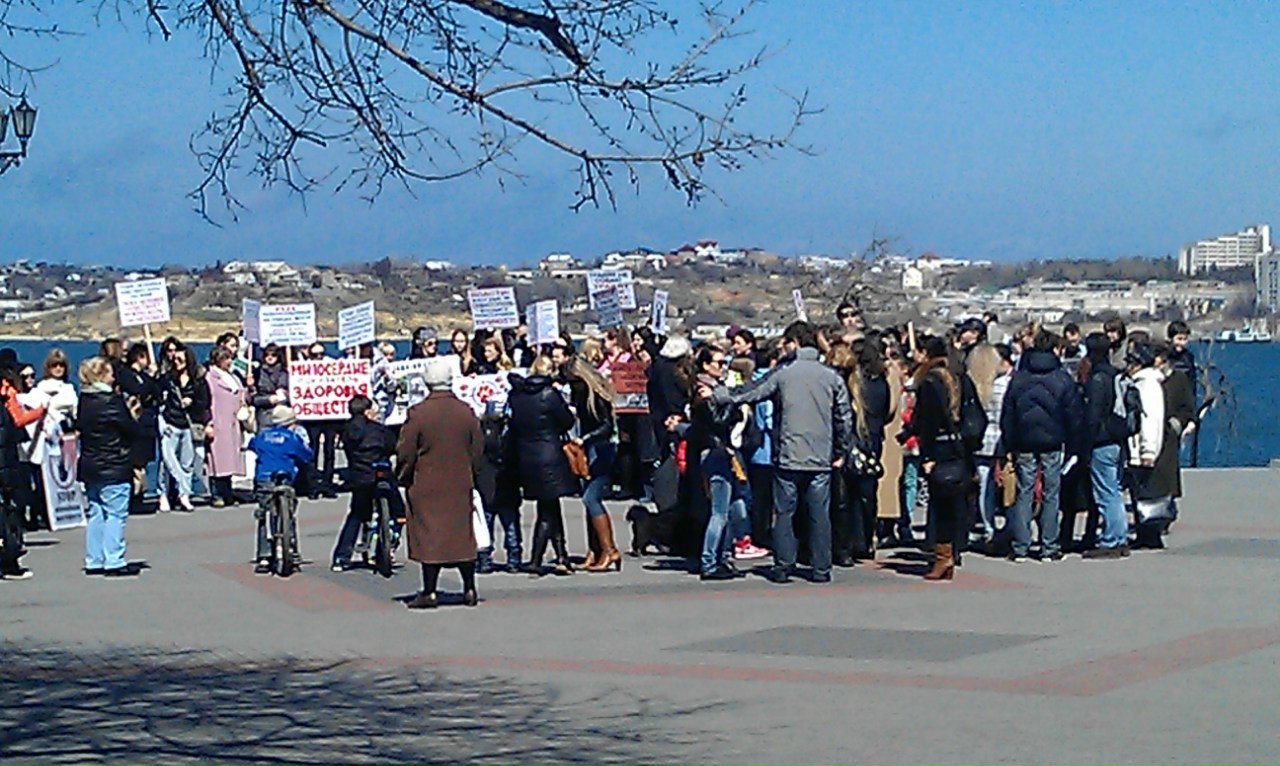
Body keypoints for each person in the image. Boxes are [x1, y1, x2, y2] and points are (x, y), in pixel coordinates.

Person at [707, 321, 853, 584]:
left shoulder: (784, 373)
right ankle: (821, 567)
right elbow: (844, 417)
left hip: (788, 453)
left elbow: (753, 392)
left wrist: (723, 395)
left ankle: (784, 564)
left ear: (794, 343)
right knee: (819, 514)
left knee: (784, 512)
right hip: (820, 455)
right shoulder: (831, 376)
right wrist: (841, 448)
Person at [397, 358, 485, 609]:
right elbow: (478, 447)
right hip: (459, 481)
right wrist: (471, 472)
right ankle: (469, 588)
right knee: (462, 535)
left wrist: (403, 475)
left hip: (427, 482)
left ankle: (430, 591)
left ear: (427, 382)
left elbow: (406, 450)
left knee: (430, 536)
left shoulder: (418, 413)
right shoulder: (465, 411)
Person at [1000, 329, 1083, 562]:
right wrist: (1073, 443)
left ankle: (1020, 546)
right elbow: (1073, 414)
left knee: (1024, 491)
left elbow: (1009, 412)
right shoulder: (1062, 378)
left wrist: (1009, 441)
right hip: (1053, 440)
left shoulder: (1019, 378)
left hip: (1023, 440)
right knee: (1051, 493)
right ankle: (1049, 545)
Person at [673, 346, 752, 581]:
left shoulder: (717, 390)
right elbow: (715, 423)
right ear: (706, 366)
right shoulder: (703, 393)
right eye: (718, 362)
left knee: (735, 508)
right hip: (714, 453)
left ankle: (724, 556)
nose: (723, 366)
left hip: (723, 452)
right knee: (719, 512)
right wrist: (734, 409)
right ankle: (709, 561)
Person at [907, 336, 980, 580]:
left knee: (940, 505)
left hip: (940, 449)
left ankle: (942, 555)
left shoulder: (930, 381)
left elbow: (927, 422)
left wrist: (926, 454)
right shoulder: (960, 378)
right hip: (961, 447)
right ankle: (953, 551)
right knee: (957, 501)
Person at [508, 356, 579, 576]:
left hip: (526, 455)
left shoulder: (517, 395)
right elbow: (567, 420)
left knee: (550, 505)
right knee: (547, 510)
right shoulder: (550, 394)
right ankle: (536, 558)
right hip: (549, 454)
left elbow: (514, 423)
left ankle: (562, 556)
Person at [76, 357, 144, 578]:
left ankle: (94, 558)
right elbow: (129, 430)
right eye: (110, 373)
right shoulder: (110, 401)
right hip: (113, 463)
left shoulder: (84, 400)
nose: (114, 377)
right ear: (102, 375)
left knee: (96, 512)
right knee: (115, 513)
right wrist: (134, 415)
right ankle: (114, 559)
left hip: (90, 464)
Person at [564, 355, 623, 573]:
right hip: (591, 448)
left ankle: (609, 549)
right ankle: (594, 550)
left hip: (603, 448)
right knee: (587, 499)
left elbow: (607, 426)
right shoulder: (580, 394)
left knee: (592, 498)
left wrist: (585, 439)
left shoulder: (595, 395)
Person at [330, 395, 397, 570]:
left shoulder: (347, 430)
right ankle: (390, 544)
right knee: (398, 510)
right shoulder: (378, 429)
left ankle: (341, 557)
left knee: (356, 515)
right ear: (367, 411)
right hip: (382, 473)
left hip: (359, 477)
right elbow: (392, 446)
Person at [1081, 332, 1131, 559]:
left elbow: (1092, 416)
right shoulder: (1116, 375)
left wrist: (1086, 444)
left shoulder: (1098, 379)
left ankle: (1111, 538)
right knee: (1114, 491)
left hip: (1102, 441)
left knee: (1105, 492)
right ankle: (1120, 536)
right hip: (1117, 438)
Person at [247, 404, 314, 573]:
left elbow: (252, 446)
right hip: (285, 476)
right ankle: (293, 551)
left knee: (263, 513)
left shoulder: (262, 436)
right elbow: (307, 456)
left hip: (264, 477)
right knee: (290, 514)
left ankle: (263, 556)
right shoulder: (292, 437)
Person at [0, 356, 44, 580]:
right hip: (7, 458)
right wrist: (40, 412)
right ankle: (9, 555)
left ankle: (9, 553)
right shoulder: (7, 392)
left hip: (9, 455)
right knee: (10, 510)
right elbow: (16, 420)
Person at [966, 343, 1012, 545]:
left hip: (981, 439)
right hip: (1000, 438)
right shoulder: (1003, 385)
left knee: (985, 485)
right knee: (1007, 484)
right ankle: (1007, 525)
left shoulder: (972, 384)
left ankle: (988, 526)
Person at [1124, 343, 1167, 548]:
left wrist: (1148, 450)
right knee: (1139, 493)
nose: (1128, 367)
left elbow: (1150, 419)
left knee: (1145, 495)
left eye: (1131, 362)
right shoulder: (1144, 383)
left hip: (1142, 449)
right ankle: (1145, 533)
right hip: (1138, 448)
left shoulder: (1147, 385)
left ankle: (1149, 535)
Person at [157, 345, 208, 512]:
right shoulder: (168, 379)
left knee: (187, 462)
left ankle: (184, 494)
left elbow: (205, 401)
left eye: (180, 359)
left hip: (188, 424)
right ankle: (163, 493)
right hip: (171, 422)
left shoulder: (197, 380)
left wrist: (192, 402)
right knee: (168, 461)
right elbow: (156, 394)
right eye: (174, 359)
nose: (176, 362)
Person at [117, 344, 160, 510]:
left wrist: (152, 377)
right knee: (133, 463)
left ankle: (140, 495)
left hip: (147, 424)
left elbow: (155, 392)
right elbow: (138, 391)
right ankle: (133, 497)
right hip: (134, 424)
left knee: (142, 462)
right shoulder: (127, 375)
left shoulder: (144, 376)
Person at [205, 347, 246, 507]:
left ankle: (228, 493)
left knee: (229, 460)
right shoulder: (210, 377)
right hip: (218, 421)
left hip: (232, 423)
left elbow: (242, 394)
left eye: (230, 358)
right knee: (216, 460)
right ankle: (216, 494)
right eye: (225, 358)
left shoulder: (233, 377)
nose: (229, 362)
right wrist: (208, 422)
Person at [299, 342, 340, 498]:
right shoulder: (304, 367)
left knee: (330, 451)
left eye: (321, 354)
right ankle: (313, 485)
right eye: (315, 355)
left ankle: (328, 484)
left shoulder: (331, 363)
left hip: (330, 415)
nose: (318, 357)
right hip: (313, 416)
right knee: (313, 451)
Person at [251, 344, 290, 430]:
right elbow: (252, 399)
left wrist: (285, 395)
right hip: (264, 416)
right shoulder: (256, 373)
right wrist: (268, 399)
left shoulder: (285, 372)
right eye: (266, 355)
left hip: (282, 415)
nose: (270, 357)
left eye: (273, 355)